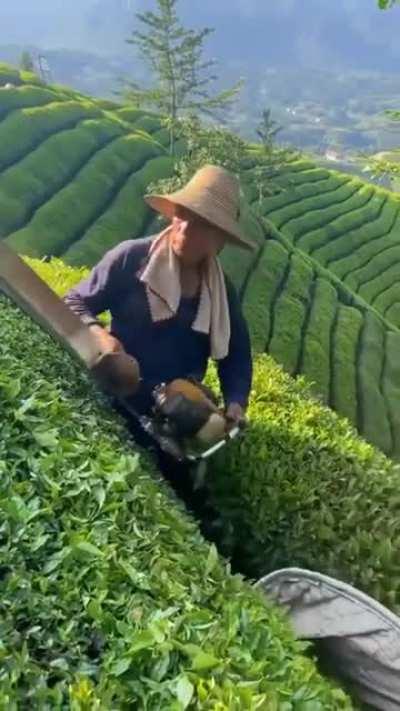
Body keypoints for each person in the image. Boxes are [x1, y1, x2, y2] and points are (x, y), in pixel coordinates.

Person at [64, 164, 254, 427]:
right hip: (118, 384)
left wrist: (235, 401)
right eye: (184, 215)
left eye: (202, 224)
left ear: (218, 240)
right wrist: (104, 339)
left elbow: (237, 355)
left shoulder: (221, 291)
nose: (186, 228)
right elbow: (74, 302)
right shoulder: (132, 258)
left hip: (173, 405)